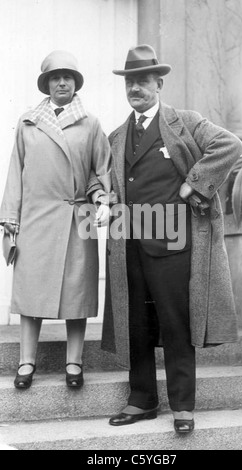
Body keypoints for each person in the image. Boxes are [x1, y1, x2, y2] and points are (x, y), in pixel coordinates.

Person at [99, 44, 242, 434]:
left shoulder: (186, 122)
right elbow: (107, 181)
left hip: (174, 241)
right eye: (130, 81)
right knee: (137, 322)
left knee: (176, 322)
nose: (136, 88)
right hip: (128, 241)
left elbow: (230, 145)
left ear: (159, 84)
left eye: (143, 80)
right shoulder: (116, 136)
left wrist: (192, 185)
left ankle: (182, 406)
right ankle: (141, 400)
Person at [0, 50, 111, 389]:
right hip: (35, 219)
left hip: (77, 219)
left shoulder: (90, 123)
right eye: (55, 77)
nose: (61, 82)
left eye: (68, 77)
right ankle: (26, 362)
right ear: (46, 84)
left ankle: (74, 363)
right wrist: (10, 218)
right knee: (31, 291)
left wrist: (103, 199)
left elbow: (99, 171)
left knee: (77, 295)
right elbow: (15, 174)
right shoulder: (28, 121)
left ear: (76, 83)